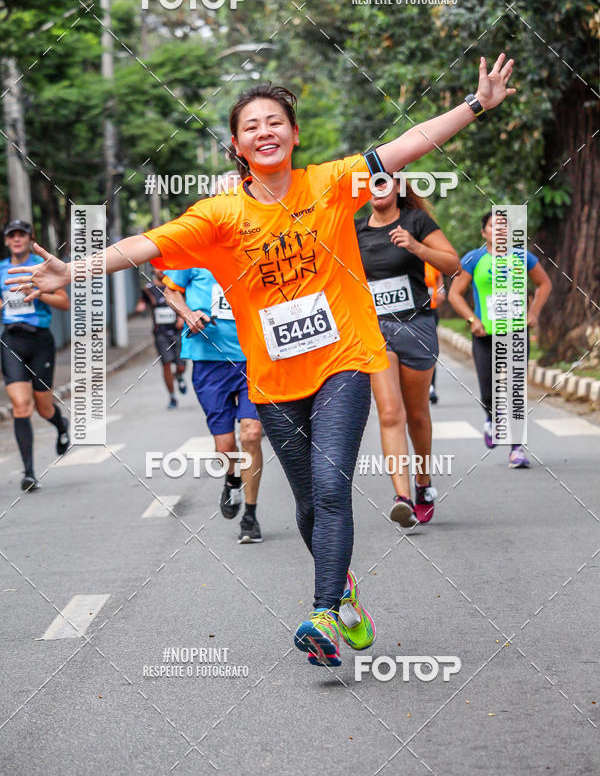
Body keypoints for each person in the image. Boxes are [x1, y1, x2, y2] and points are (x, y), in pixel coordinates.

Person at [7, 54, 516, 666]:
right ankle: (345, 591)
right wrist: (77, 267)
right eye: (252, 126)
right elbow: (146, 243)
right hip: (273, 381)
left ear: (294, 134)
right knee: (306, 502)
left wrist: (477, 104)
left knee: (331, 487)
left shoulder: (330, 183)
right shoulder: (220, 216)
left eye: (276, 121)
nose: (265, 132)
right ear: (237, 145)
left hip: (344, 361)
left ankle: (324, 615)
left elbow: (407, 145)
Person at [356, 180, 460, 527]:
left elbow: (452, 264)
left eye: (384, 180)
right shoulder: (354, 228)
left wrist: (416, 247)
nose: (376, 187)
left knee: (416, 414)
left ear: (398, 186)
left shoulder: (416, 221)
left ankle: (423, 482)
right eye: (368, 182)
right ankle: (401, 497)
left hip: (415, 326)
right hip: (375, 330)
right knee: (389, 413)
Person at [162, 266, 264, 544]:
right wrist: (188, 313)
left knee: (252, 434)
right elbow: (170, 291)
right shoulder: (191, 252)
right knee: (225, 446)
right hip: (209, 361)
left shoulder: (248, 243)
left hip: (253, 357)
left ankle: (250, 516)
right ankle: (232, 480)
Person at [448, 210, 551, 468]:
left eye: (504, 226)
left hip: (516, 333)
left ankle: (517, 449)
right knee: (488, 390)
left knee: (515, 390)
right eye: (494, 226)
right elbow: (455, 295)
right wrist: (473, 320)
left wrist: (534, 313)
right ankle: (491, 418)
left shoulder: (522, 257)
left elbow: (544, 284)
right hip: (485, 336)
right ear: (484, 232)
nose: (500, 230)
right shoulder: (474, 259)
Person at [0, 220, 70, 491]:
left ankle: (60, 424)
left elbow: (63, 302)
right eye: (12, 236)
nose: (17, 240)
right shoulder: (1, 270)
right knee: (20, 405)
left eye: (22, 235)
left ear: (30, 239)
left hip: (40, 340)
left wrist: (37, 293)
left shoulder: (40, 267)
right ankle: (29, 473)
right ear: (6, 241)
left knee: (43, 407)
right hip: (12, 340)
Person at [136, 269, 186, 409]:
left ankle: (179, 376)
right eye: (159, 268)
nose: (161, 271)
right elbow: (142, 302)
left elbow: (186, 303)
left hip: (177, 331)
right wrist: (141, 307)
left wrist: (182, 317)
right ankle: (172, 397)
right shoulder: (149, 289)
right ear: (153, 269)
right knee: (166, 364)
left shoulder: (176, 286)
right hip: (161, 333)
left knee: (181, 366)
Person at [424, 261, 445, 404]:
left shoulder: (431, 261)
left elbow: (440, 284)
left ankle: (431, 386)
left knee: (430, 348)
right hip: (411, 313)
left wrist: (441, 292)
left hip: (430, 311)